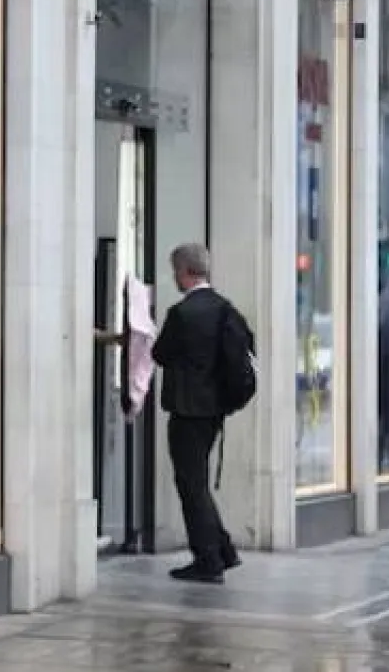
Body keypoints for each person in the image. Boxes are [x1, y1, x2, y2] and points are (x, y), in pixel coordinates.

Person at [151, 243, 245, 583]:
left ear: (186, 272)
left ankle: (208, 560)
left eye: (175, 271)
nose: (174, 277)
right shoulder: (225, 309)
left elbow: (160, 354)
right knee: (198, 483)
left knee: (191, 485)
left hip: (186, 409)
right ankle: (222, 550)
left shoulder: (182, 313)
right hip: (213, 411)